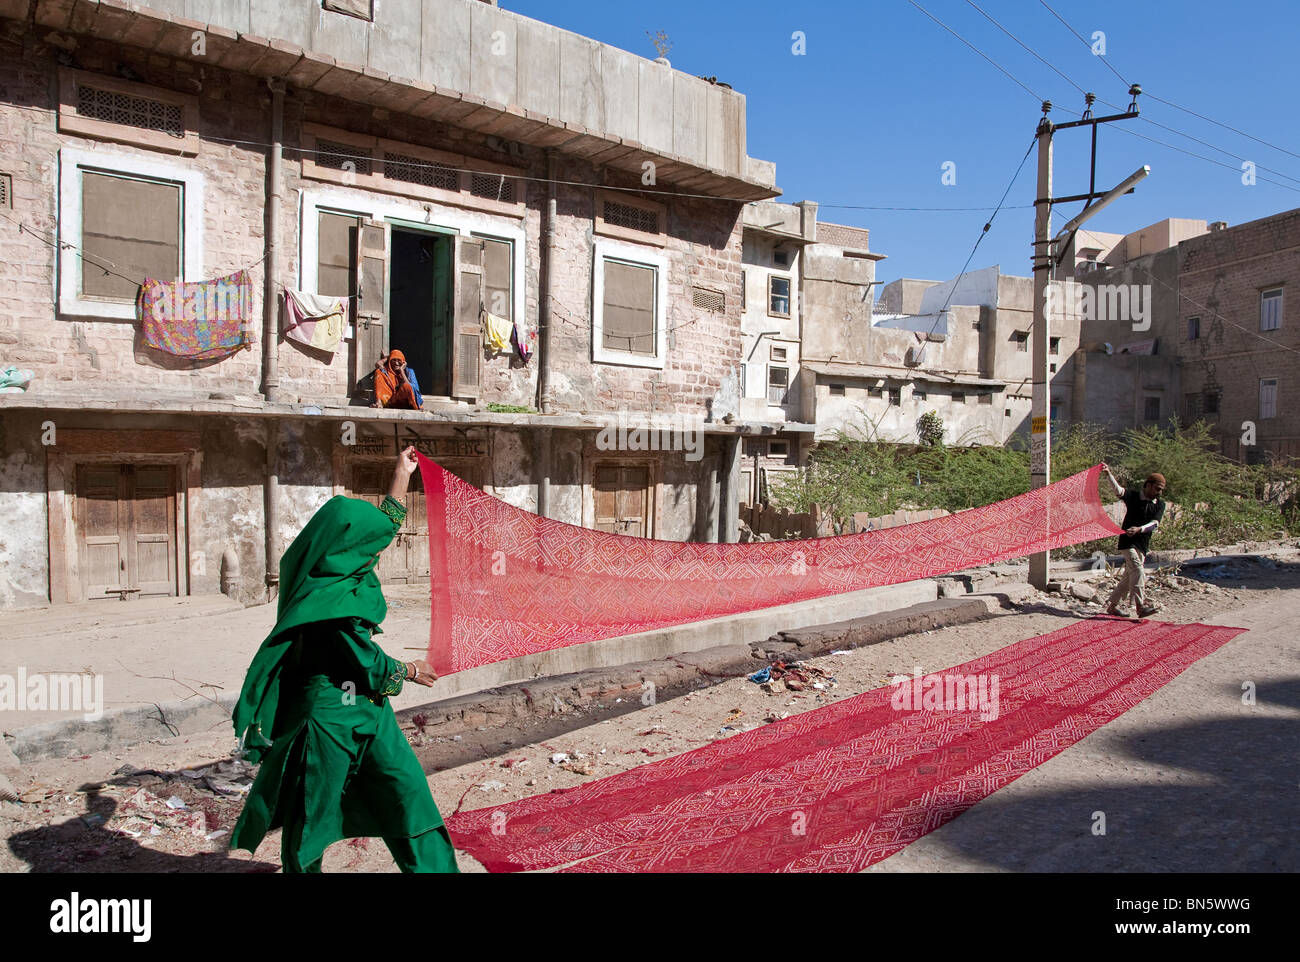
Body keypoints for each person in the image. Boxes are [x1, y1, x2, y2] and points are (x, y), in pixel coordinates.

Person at [230, 447, 458, 873]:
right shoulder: (328, 598)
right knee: (312, 816)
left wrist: (400, 475)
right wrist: (409, 670)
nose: (376, 554)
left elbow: (384, 526)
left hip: (368, 708)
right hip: (326, 718)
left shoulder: (333, 567)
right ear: (349, 549)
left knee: (406, 792)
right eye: (368, 548)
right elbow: (364, 659)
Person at [1102, 464, 1167, 618]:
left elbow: (1155, 524)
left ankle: (1112, 606)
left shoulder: (1159, 505)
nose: (1159, 492)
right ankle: (1140, 606)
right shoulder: (1133, 497)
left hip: (1142, 545)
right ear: (1148, 485)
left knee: (1129, 577)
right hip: (1127, 542)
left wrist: (1139, 529)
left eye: (1161, 489)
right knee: (1137, 570)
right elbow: (1118, 491)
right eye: (1157, 489)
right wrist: (1108, 474)